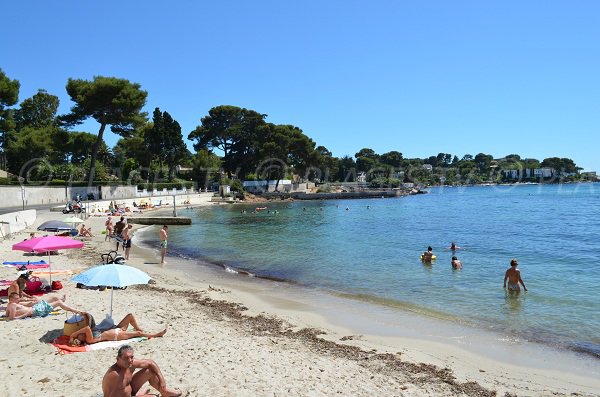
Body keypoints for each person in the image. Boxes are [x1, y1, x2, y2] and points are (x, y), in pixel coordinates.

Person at [102, 345, 182, 397]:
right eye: (126, 358)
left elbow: (150, 363)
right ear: (118, 359)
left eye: (132, 357)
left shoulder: (131, 363)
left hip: (131, 390)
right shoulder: (114, 375)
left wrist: (162, 380)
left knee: (150, 371)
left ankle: (164, 391)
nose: (130, 360)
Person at [69, 313, 166, 346]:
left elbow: (88, 321)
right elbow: (86, 328)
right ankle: (156, 335)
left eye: (79, 335)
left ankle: (140, 329)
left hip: (117, 329)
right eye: (79, 336)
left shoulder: (90, 333)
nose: (80, 334)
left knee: (130, 316)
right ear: (81, 340)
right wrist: (73, 335)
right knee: (138, 333)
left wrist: (84, 315)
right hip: (117, 336)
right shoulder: (89, 339)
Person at [5, 293, 82, 320]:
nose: (18, 299)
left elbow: (7, 315)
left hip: (34, 308)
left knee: (54, 298)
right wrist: (25, 314)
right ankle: (76, 311)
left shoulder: (9, 305)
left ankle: (63, 300)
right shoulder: (13, 305)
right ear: (12, 299)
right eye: (17, 298)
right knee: (58, 302)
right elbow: (12, 317)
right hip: (36, 311)